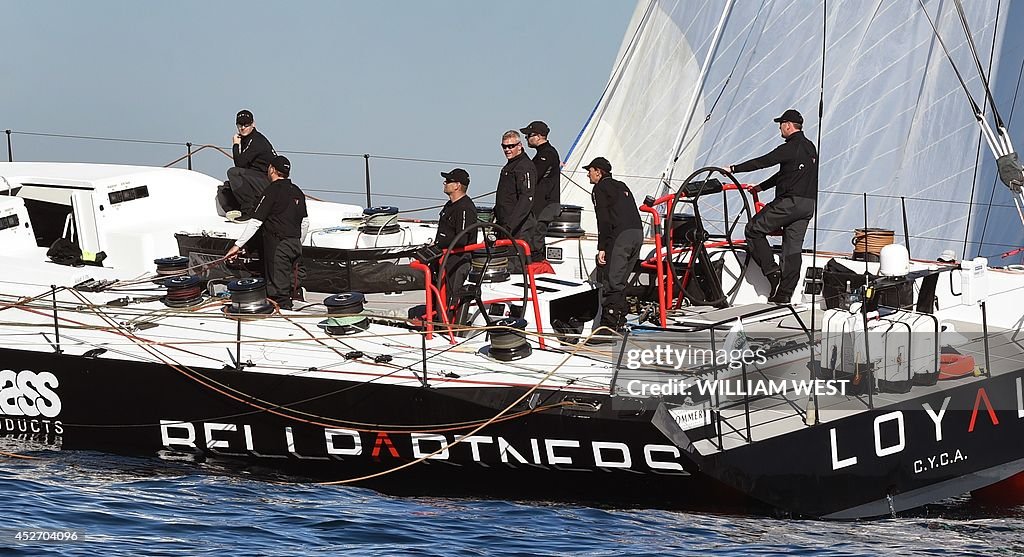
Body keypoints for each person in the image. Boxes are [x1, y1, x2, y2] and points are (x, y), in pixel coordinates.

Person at [728, 109, 817, 304]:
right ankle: (784, 295)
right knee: (792, 249)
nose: (779, 128)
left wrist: (733, 169)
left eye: (781, 124)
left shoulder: (790, 147)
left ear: (788, 125)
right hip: (808, 205)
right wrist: (762, 186)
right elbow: (786, 174)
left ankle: (772, 273)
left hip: (790, 203)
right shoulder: (810, 147)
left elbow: (764, 161)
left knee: (753, 229)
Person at [226, 155, 309, 310]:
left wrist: (237, 246)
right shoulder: (297, 191)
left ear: (271, 170)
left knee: (278, 291)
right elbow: (305, 222)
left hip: (278, 247)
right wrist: (298, 242)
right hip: (295, 244)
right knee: (292, 282)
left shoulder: (271, 191)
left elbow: (256, 221)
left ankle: (282, 319)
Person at [585, 156, 643, 336]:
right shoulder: (622, 185)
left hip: (620, 236)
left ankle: (608, 328)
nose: (588, 174)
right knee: (621, 281)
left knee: (611, 282)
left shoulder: (600, 188)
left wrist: (602, 247)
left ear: (598, 172)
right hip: (637, 233)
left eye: (590, 170)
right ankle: (620, 322)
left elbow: (603, 219)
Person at [219, 109, 276, 222]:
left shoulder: (256, 140)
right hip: (256, 179)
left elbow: (239, 164)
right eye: (240, 125)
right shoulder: (246, 139)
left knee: (233, 172)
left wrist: (235, 145)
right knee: (225, 188)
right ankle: (236, 211)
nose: (243, 128)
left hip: (268, 182)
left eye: (246, 124)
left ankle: (249, 211)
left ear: (253, 124)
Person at [434, 168, 478, 307]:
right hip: (444, 257)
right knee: (437, 291)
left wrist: (442, 247)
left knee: (451, 296)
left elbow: (462, 238)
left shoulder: (465, 207)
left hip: (457, 259)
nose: (444, 183)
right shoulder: (449, 205)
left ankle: (446, 323)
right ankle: (436, 317)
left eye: (448, 181)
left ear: (457, 185)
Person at [495, 130, 538, 265]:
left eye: (511, 146)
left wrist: (510, 226)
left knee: (515, 266)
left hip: (518, 228)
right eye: (504, 146)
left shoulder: (524, 166)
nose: (507, 149)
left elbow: (526, 199)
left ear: (519, 145)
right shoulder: (510, 165)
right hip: (504, 226)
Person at [521, 120, 560, 261]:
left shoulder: (547, 154)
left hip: (544, 206)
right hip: (542, 205)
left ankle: (536, 270)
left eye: (528, 135)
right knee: (533, 237)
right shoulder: (542, 153)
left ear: (538, 136)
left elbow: (534, 175)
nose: (526, 139)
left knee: (535, 241)